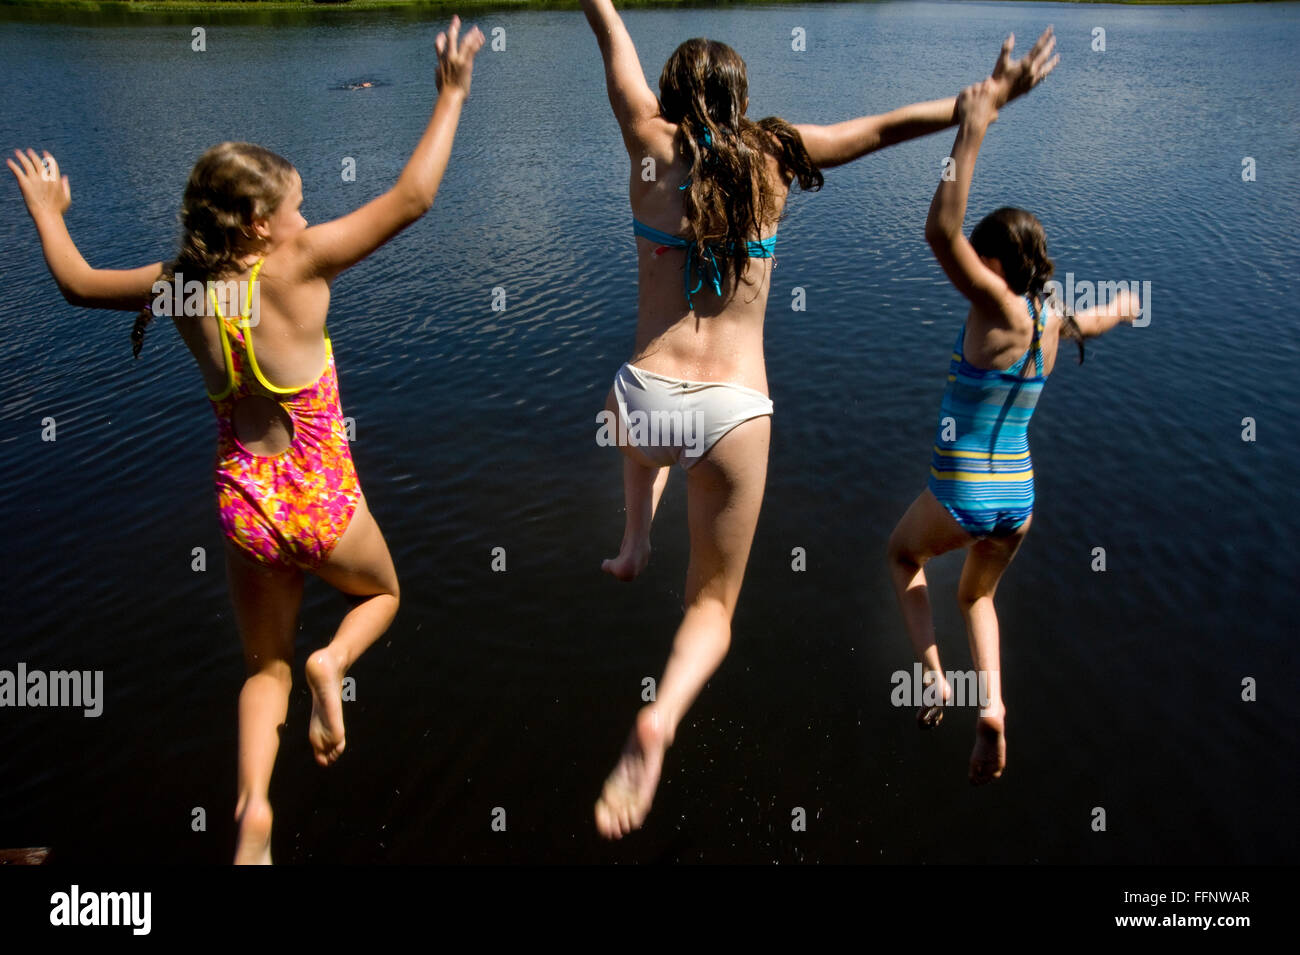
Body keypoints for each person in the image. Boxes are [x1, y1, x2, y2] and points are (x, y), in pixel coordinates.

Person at [6, 16, 485, 863]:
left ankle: (254, 812)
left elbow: (77, 284)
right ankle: (334, 664)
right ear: (261, 224)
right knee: (381, 596)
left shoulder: (179, 286)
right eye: (298, 208)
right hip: (321, 499)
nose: (308, 217)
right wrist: (450, 93)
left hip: (245, 506)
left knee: (264, 666)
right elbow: (414, 198)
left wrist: (47, 211)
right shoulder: (298, 268)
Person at [582, 0, 1059, 837]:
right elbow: (879, 129)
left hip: (643, 395)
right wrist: (977, 104)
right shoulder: (774, 154)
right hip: (735, 414)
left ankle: (632, 541)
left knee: (638, 433)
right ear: (741, 98)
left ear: (670, 94)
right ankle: (660, 717)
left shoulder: (647, 141)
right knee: (711, 610)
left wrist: (602, 7)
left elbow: (610, 35)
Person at [885, 43, 1141, 786]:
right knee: (977, 595)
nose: (969, 263)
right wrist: (1125, 308)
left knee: (902, 555)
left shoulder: (993, 304)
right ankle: (992, 706)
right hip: (1018, 499)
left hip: (962, 490)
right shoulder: (1051, 320)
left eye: (980, 256)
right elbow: (1091, 321)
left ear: (995, 264)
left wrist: (974, 125)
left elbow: (939, 231)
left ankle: (935, 678)